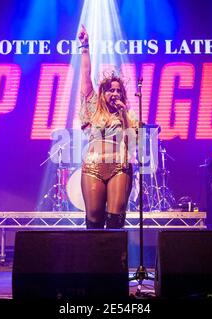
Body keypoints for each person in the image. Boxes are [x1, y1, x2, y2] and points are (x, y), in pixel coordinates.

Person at [78, 25, 138, 229]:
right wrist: (85, 47)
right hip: (93, 165)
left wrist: (124, 115)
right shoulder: (93, 109)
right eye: (110, 91)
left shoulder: (128, 115)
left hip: (119, 166)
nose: (114, 94)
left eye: (118, 91)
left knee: (115, 219)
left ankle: (116, 259)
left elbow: (132, 144)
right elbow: (86, 77)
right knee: (94, 217)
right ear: (102, 93)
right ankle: (93, 259)